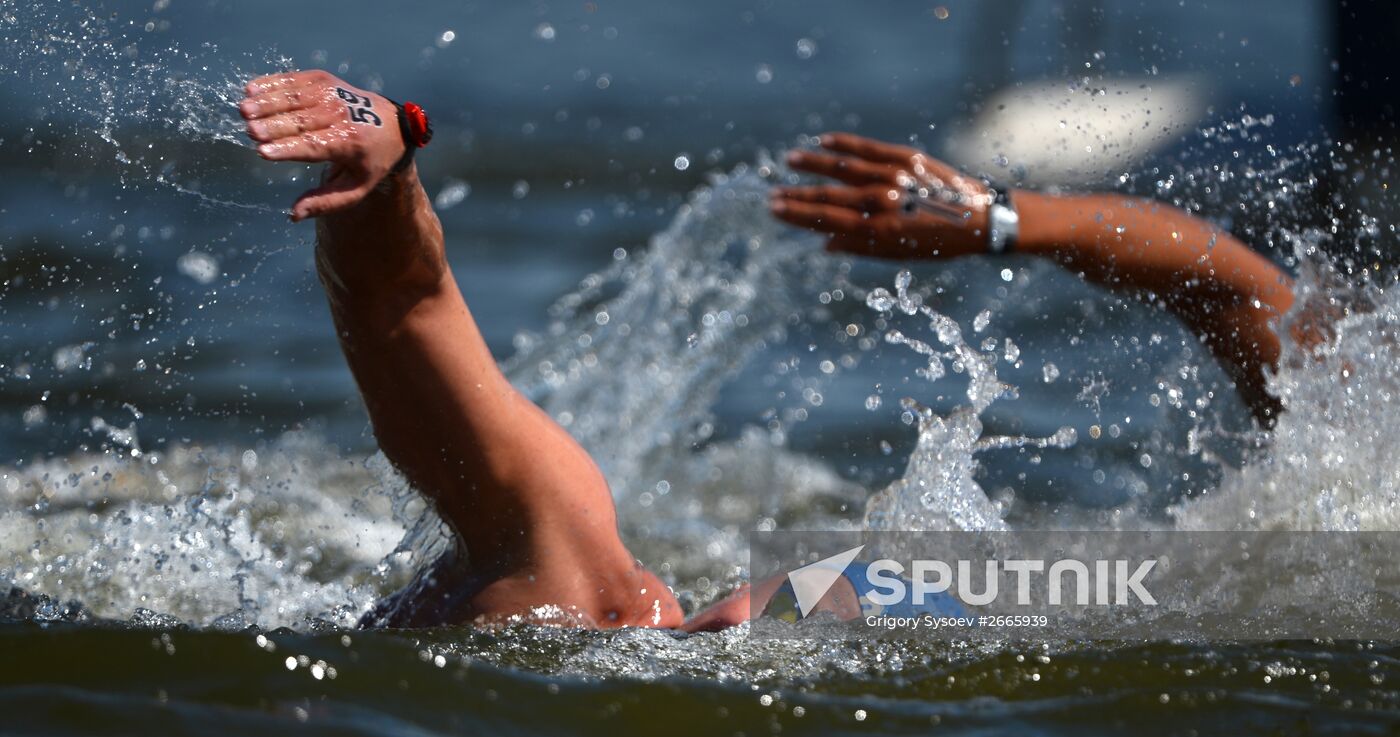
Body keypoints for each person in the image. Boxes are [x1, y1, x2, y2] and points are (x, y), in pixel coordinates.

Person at [239, 70, 1297, 631]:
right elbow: (1244, 289)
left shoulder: (580, 586)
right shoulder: (575, 574)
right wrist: (998, 222)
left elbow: (402, 302)